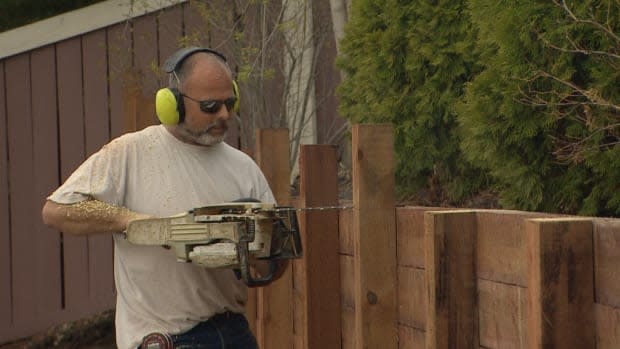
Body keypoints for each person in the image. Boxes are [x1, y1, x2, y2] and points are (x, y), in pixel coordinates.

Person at [41, 47, 278, 349]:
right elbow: (56, 210)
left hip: (233, 332)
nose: (223, 114)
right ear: (173, 104)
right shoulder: (130, 153)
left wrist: (255, 249)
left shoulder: (243, 167)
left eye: (229, 103)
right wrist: (131, 220)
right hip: (166, 339)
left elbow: (270, 266)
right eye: (209, 106)